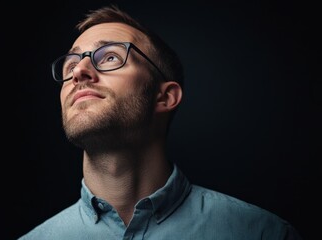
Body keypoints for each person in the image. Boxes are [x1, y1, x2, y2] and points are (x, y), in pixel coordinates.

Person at [18, 4, 302, 240]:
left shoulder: (263, 234)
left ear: (165, 97)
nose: (79, 71)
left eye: (111, 57)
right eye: (70, 65)